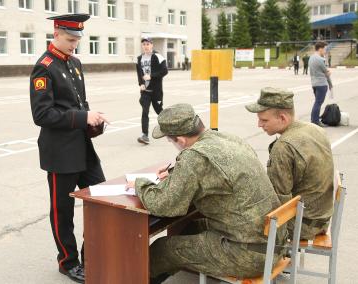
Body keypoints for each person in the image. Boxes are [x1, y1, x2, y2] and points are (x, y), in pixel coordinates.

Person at [128, 104, 287, 283]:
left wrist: (139, 184)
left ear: (180, 140)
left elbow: (164, 204)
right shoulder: (228, 139)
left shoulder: (194, 157)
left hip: (248, 255)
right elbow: (217, 171)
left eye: (170, 140)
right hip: (271, 242)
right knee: (187, 229)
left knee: (161, 248)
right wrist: (175, 175)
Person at [29, 14, 108, 283]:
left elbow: (78, 103)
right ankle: (68, 261)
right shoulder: (44, 67)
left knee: (103, 201)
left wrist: (92, 121)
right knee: (63, 211)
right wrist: (81, 118)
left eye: (77, 40)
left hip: (82, 147)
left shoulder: (74, 63)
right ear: (56, 34)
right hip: (60, 153)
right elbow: (42, 115)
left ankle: (92, 255)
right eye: (70, 39)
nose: (75, 45)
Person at [246, 87, 334, 240]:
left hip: (302, 225)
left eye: (264, 120)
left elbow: (277, 202)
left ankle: (268, 261)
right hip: (321, 219)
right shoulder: (315, 129)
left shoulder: (284, 147)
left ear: (283, 118)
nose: (259, 125)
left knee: (236, 224)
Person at [136, 37, 168, 144]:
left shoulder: (158, 56)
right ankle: (145, 135)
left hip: (156, 91)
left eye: (147, 44)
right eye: (144, 44)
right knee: (145, 112)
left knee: (159, 111)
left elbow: (164, 71)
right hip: (145, 92)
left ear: (152, 45)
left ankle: (171, 128)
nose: (145, 46)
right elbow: (139, 74)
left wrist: (151, 76)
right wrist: (141, 84)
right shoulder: (139, 58)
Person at [309, 41, 333, 126]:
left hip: (314, 84)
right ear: (320, 49)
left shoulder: (311, 58)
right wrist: (329, 72)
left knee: (317, 102)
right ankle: (315, 122)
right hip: (321, 84)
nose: (325, 51)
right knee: (318, 103)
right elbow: (326, 72)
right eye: (324, 49)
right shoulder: (320, 59)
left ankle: (314, 119)